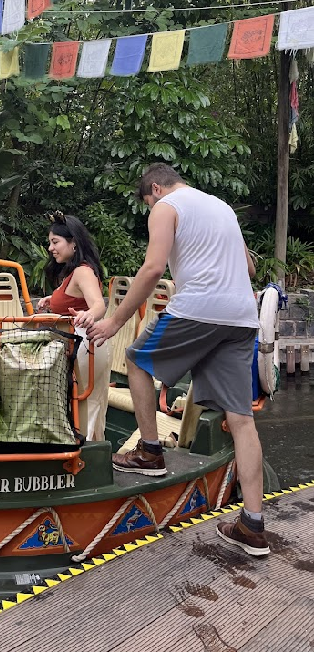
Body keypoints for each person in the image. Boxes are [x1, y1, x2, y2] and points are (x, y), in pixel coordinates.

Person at [86, 164, 268, 556]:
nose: (151, 206)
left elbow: (153, 268)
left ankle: (150, 451)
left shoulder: (166, 207)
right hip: (241, 317)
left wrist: (115, 321)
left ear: (155, 188)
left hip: (197, 309)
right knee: (240, 419)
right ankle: (252, 525)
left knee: (136, 360)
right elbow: (249, 268)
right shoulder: (222, 207)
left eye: (148, 200)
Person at [37, 211, 113, 441]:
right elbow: (75, 299)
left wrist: (89, 315)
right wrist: (54, 300)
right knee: (80, 401)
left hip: (84, 343)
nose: (51, 248)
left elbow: (98, 304)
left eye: (55, 242)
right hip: (77, 343)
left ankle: (86, 452)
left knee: (84, 402)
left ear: (73, 243)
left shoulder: (82, 271)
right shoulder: (72, 272)